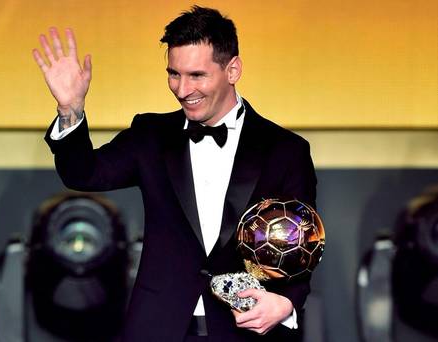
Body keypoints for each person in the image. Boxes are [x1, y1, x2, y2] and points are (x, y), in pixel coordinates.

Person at [33, 6, 317, 342]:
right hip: (157, 328)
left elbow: (303, 245)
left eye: (197, 75)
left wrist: (285, 303)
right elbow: (84, 174)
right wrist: (70, 110)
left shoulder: (285, 150)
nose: (183, 90)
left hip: (246, 331)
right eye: (174, 74)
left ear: (233, 69)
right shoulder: (151, 135)